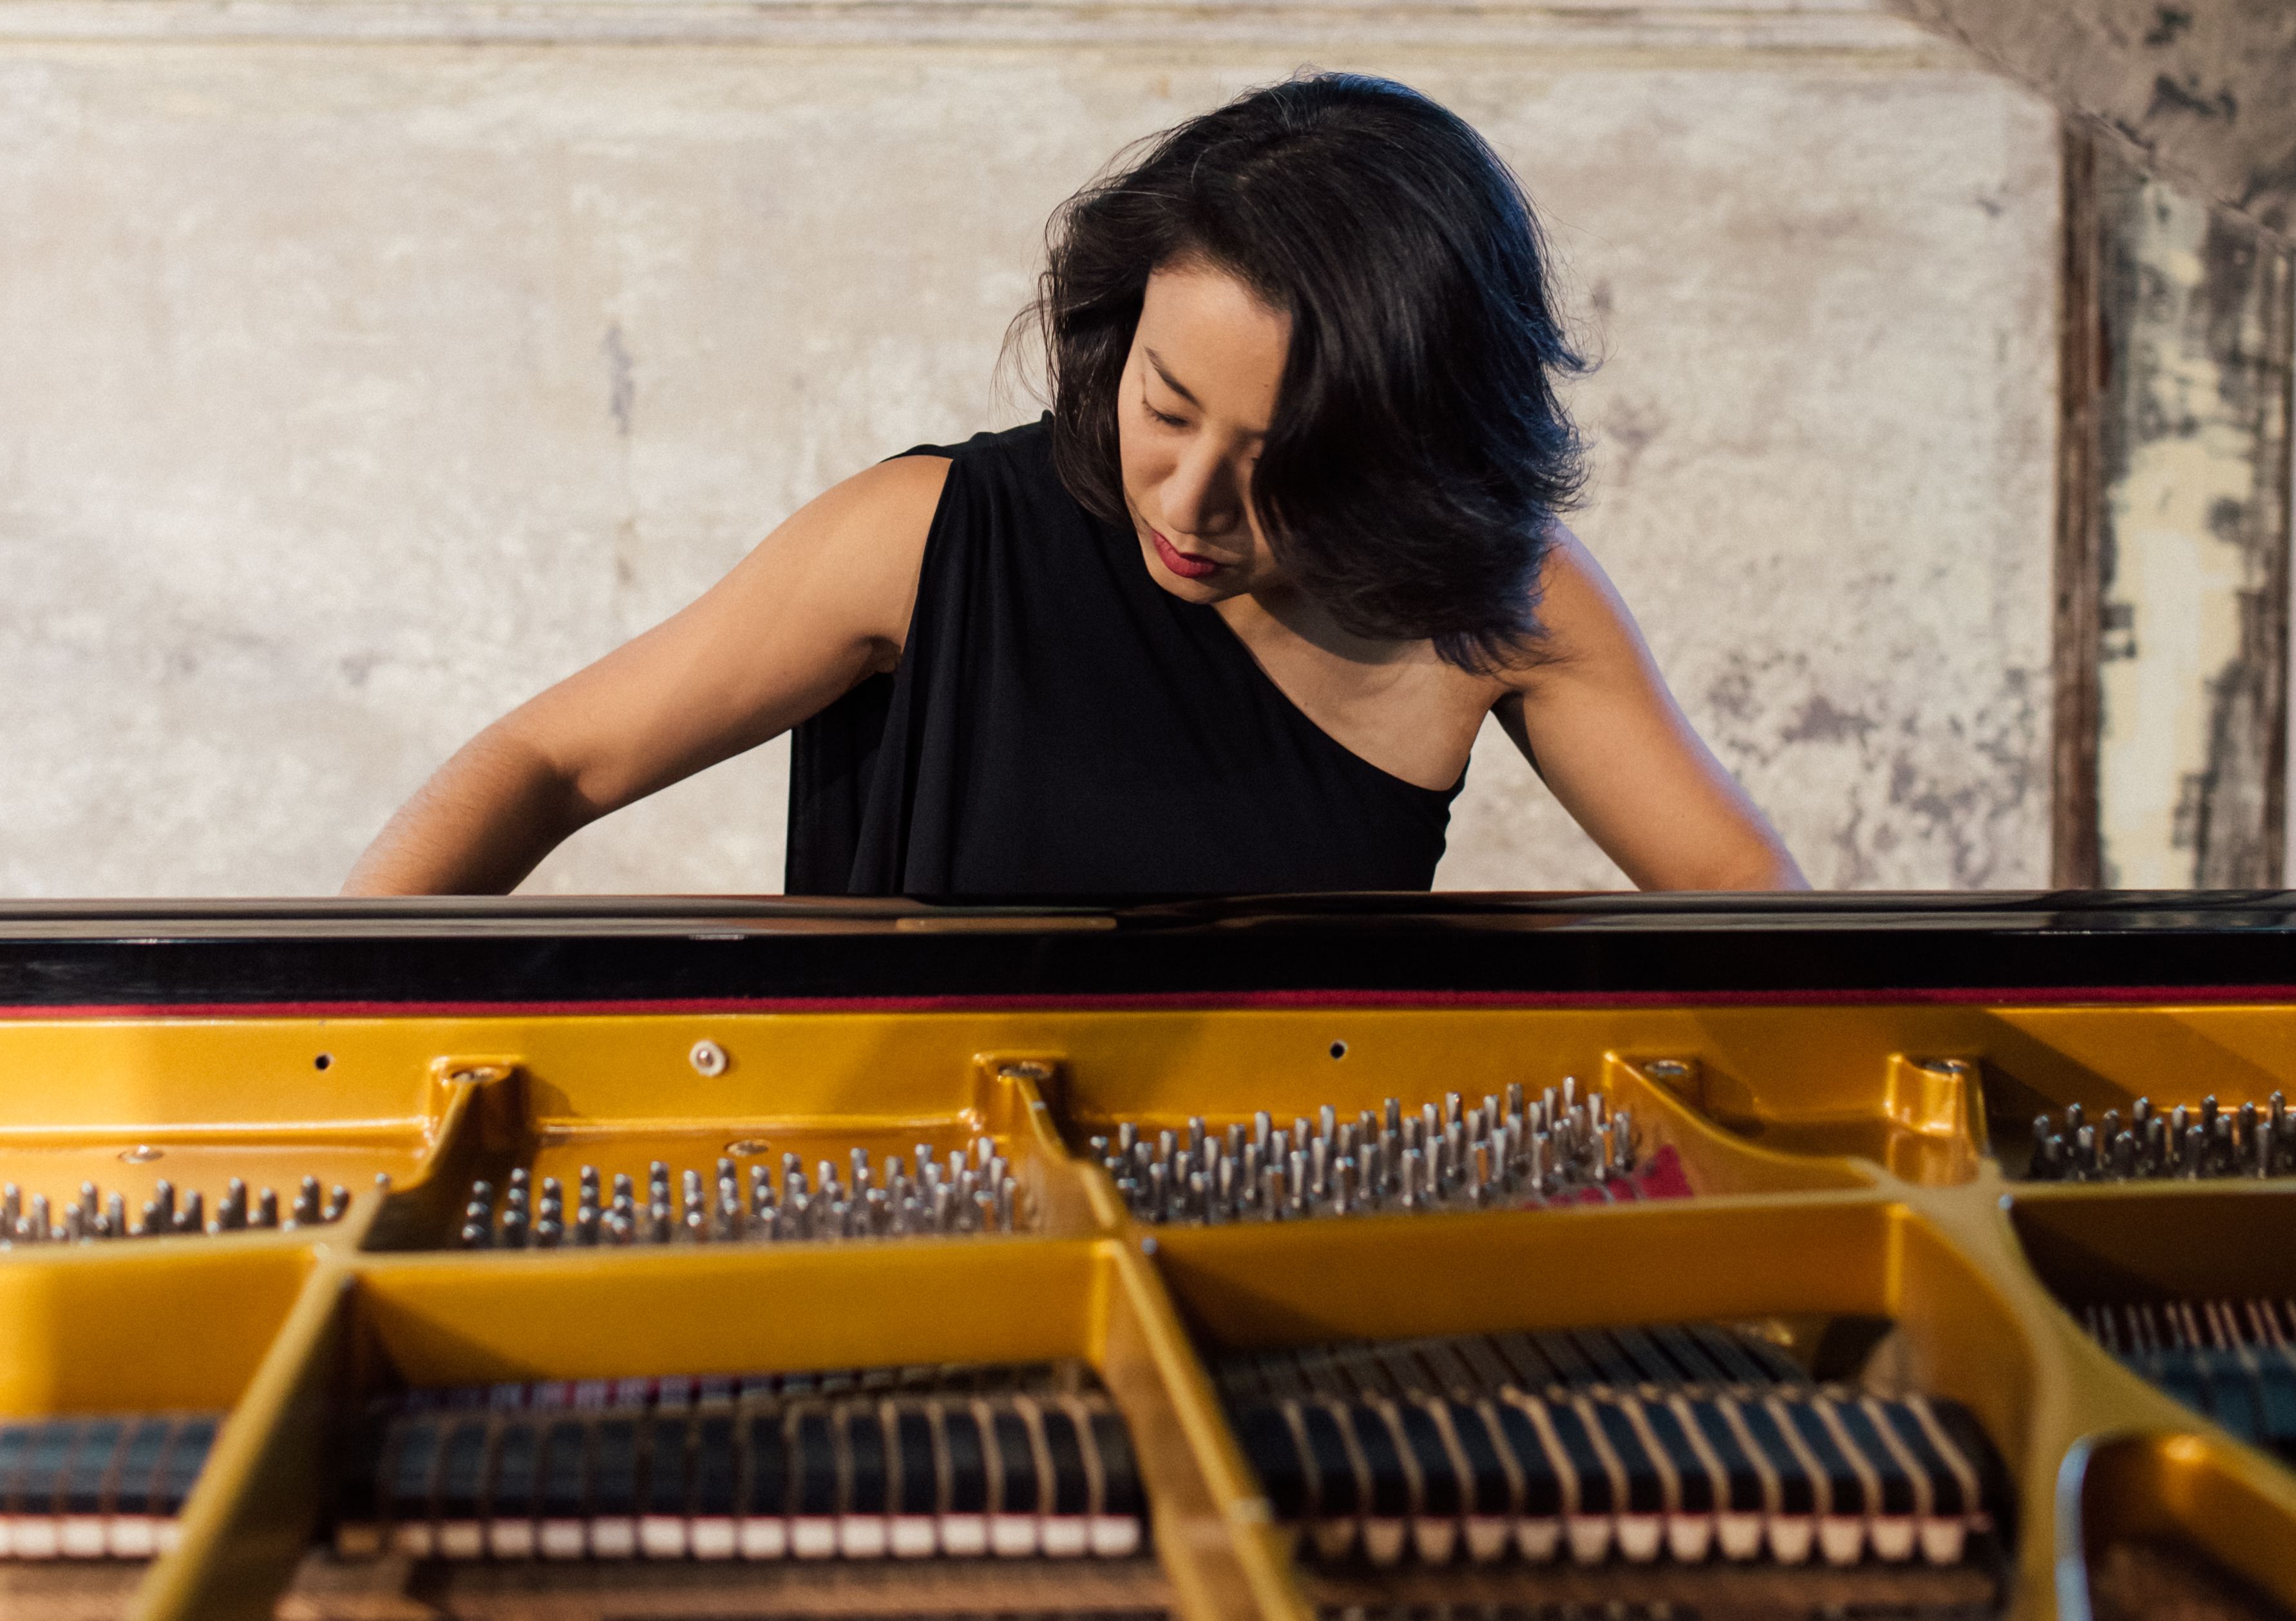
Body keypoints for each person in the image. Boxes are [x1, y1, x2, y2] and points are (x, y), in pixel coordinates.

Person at [345, 72, 1805, 898]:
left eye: (1283, 467)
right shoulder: (923, 540)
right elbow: (549, 764)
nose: (1186, 500)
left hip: (1300, 1284)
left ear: (1407, 454)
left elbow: (1765, 927)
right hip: (907, 1236)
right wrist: (321, 1046)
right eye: (1161, 407)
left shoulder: (1497, 603)